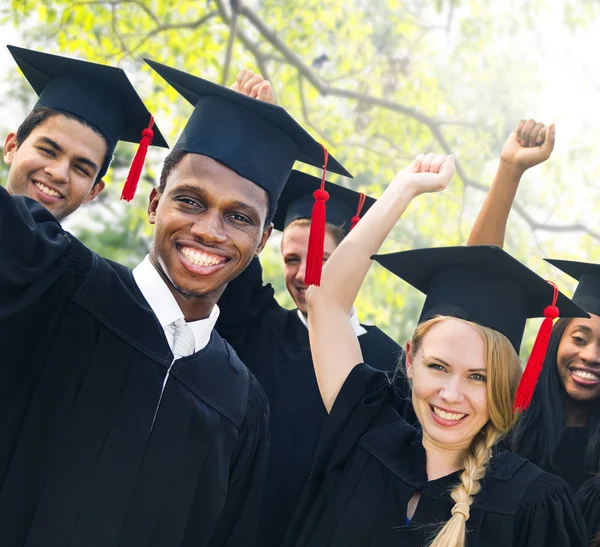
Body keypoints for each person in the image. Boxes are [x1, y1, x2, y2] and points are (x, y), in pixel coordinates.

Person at [0, 57, 348, 546]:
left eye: (239, 218)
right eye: (189, 200)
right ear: (153, 202)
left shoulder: (244, 404)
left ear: (264, 238)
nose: (209, 230)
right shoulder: (60, 284)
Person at [283, 152, 588, 546]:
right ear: (410, 359)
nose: (451, 394)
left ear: (507, 384)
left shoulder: (534, 503)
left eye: (478, 376)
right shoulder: (368, 440)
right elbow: (327, 300)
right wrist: (404, 187)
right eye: (438, 367)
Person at [216, 169, 406, 547]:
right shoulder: (257, 325)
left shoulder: (389, 361)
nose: (303, 274)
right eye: (290, 259)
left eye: (322, 257)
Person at [467, 119, 600, 492]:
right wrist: (510, 170)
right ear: (556, 338)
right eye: (580, 337)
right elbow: (477, 288)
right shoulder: (506, 417)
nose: (591, 355)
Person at [2, 46, 168, 220]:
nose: (59, 173)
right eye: (48, 151)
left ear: (93, 192)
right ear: (12, 147)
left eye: (81, 168)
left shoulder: (74, 248)